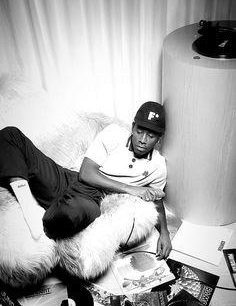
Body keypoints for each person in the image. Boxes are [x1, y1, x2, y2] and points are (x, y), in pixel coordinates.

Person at [0, 101, 171, 259]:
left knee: (74, 211)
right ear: (133, 127)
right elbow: (86, 173)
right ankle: (26, 201)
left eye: (151, 135)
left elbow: (157, 201)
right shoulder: (114, 133)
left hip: (93, 197)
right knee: (11, 135)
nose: (142, 140)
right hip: (70, 178)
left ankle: (43, 219)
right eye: (140, 131)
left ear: (159, 138)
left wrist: (165, 233)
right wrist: (130, 188)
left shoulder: (158, 165)